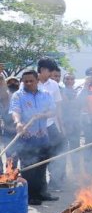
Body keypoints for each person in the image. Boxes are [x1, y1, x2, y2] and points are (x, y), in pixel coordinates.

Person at [10, 70, 57, 204]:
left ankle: (42, 192)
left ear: (37, 81)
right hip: (26, 138)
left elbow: (53, 110)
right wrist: (18, 123)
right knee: (29, 168)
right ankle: (31, 195)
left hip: (43, 136)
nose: (29, 83)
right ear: (22, 82)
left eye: (31, 81)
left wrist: (42, 115)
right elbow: (15, 111)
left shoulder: (46, 94)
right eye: (26, 81)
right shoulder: (18, 96)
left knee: (42, 166)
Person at [37, 58, 65, 191]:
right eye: (50, 71)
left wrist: (61, 126)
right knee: (40, 157)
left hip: (51, 125)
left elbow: (58, 106)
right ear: (42, 70)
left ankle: (54, 183)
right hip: (35, 128)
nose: (51, 74)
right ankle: (40, 186)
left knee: (56, 154)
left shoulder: (53, 85)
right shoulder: (30, 82)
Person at [61, 73, 82, 176]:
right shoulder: (60, 92)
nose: (69, 81)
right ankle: (63, 174)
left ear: (74, 81)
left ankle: (76, 173)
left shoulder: (78, 92)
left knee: (75, 150)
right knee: (62, 151)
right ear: (64, 80)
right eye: (67, 79)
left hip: (75, 125)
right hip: (64, 125)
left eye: (71, 79)